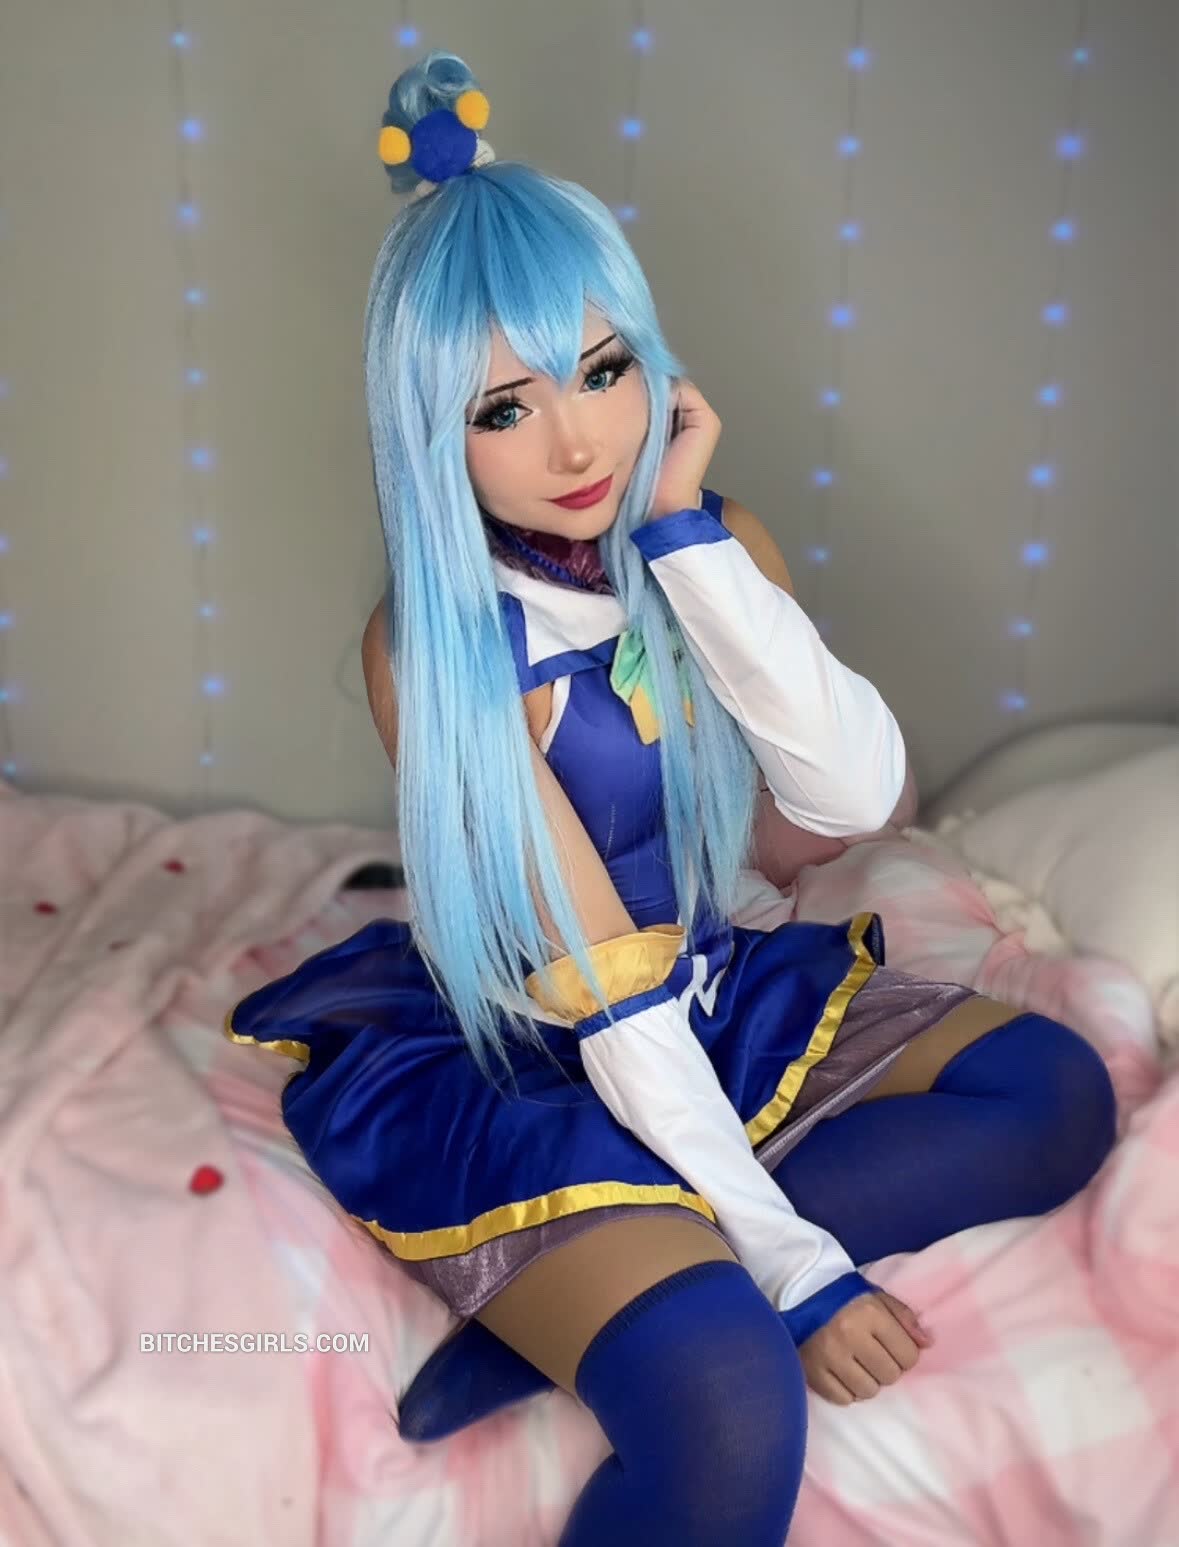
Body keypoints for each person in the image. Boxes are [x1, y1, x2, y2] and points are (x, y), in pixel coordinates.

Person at [224, 50, 1118, 1545]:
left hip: (698, 986)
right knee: (729, 1401)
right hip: (539, 1046)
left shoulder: (709, 542)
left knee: (1056, 1094)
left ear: (651, 363)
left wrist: (687, 537)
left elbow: (856, 797)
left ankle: (571, 1317)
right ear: (429, 435)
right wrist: (797, 1274)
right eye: (503, 408)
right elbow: (604, 990)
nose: (578, 443)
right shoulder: (438, 650)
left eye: (601, 373)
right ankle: (634, 1298)